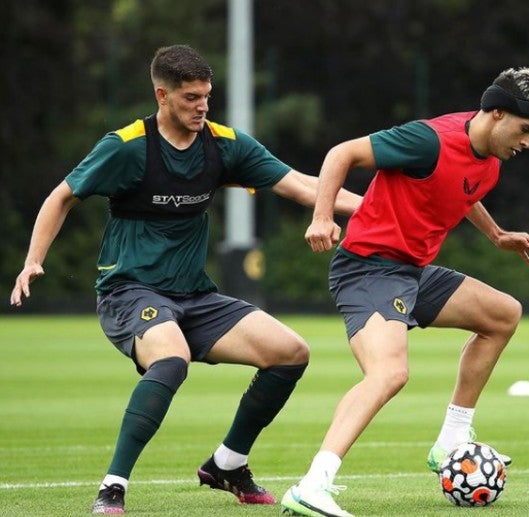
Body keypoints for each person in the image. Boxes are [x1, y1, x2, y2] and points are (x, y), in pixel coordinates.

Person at [10, 44, 362, 515]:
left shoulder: (225, 143)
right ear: (162, 95)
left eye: (207, 97)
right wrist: (34, 259)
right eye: (191, 97)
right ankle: (112, 487)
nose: (202, 106)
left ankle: (227, 464)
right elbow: (61, 197)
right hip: (129, 292)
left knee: (290, 353)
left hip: (194, 296)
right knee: (171, 358)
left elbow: (300, 184)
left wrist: (380, 209)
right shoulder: (127, 146)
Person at [281, 67, 529, 517]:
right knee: (389, 373)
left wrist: (496, 235)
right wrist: (322, 216)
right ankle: (313, 484)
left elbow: (461, 191)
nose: (527, 142)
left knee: (503, 314)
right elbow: (340, 153)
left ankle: (450, 440)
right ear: (496, 113)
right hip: (367, 268)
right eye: (525, 129)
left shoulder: (489, 163)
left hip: (412, 272)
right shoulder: (426, 140)